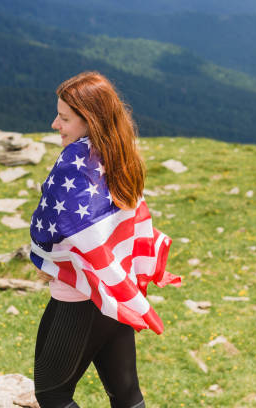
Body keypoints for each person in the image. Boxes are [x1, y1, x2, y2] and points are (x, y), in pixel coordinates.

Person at [29, 71, 181, 408]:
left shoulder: (75, 163)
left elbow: (60, 228)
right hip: (117, 286)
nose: (55, 124)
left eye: (65, 118)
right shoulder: (119, 153)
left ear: (91, 120)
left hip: (82, 295)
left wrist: (48, 262)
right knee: (126, 394)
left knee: (52, 394)